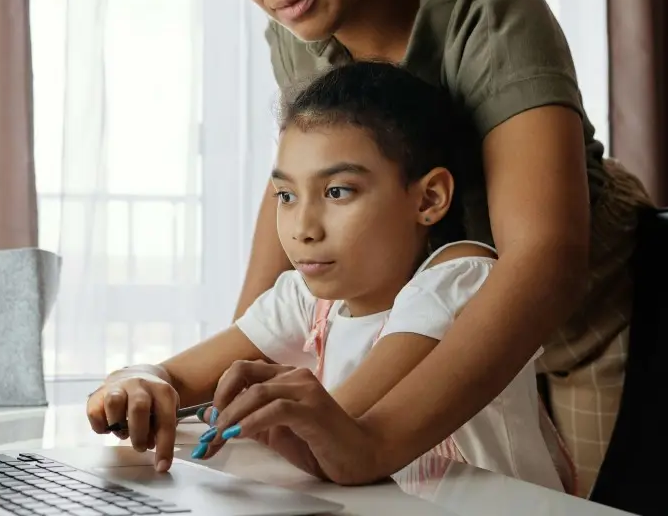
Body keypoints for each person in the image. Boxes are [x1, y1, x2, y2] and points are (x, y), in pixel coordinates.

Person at [173, 0, 654, 496]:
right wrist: (229, 380)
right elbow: (295, 184)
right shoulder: (298, 31)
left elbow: (545, 257)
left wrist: (373, 441)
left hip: (577, 323)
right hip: (431, 321)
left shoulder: (491, 13)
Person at [86, 61, 570, 493]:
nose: (302, 229)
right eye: (286, 196)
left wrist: (253, 412)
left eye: (337, 191)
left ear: (428, 199)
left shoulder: (460, 279)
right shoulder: (309, 299)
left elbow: (340, 431)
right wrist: (136, 382)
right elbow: (176, 375)